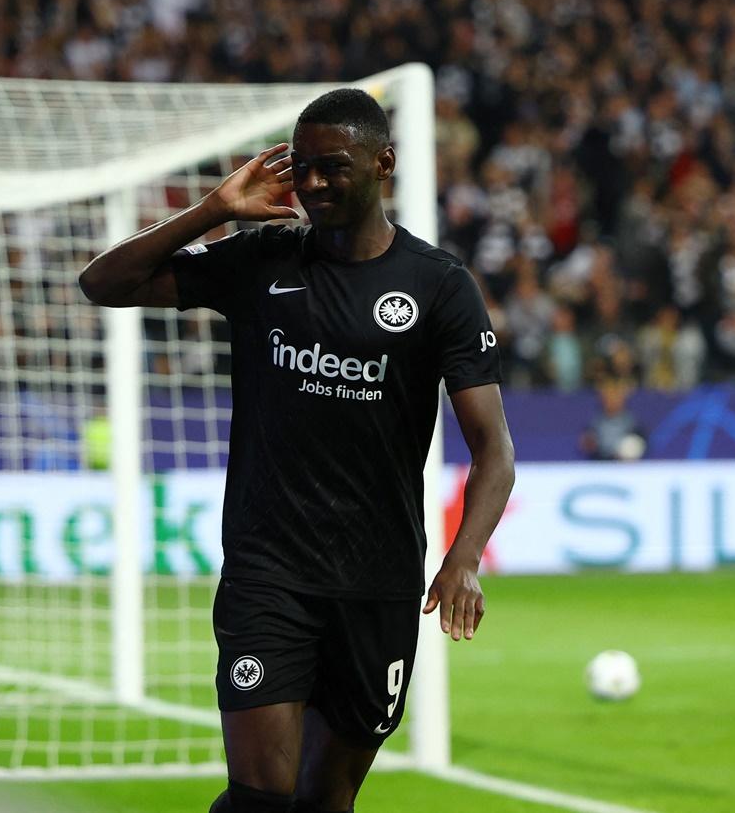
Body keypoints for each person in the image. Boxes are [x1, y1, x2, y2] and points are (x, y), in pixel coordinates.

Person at [79, 89, 515, 813]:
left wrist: (464, 557)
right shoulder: (263, 259)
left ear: (384, 164)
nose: (310, 184)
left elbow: (492, 447)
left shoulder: (439, 287)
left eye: (331, 168)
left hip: (377, 583)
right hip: (268, 574)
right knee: (259, 799)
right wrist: (215, 209)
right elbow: (104, 283)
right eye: (301, 167)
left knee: (324, 801)